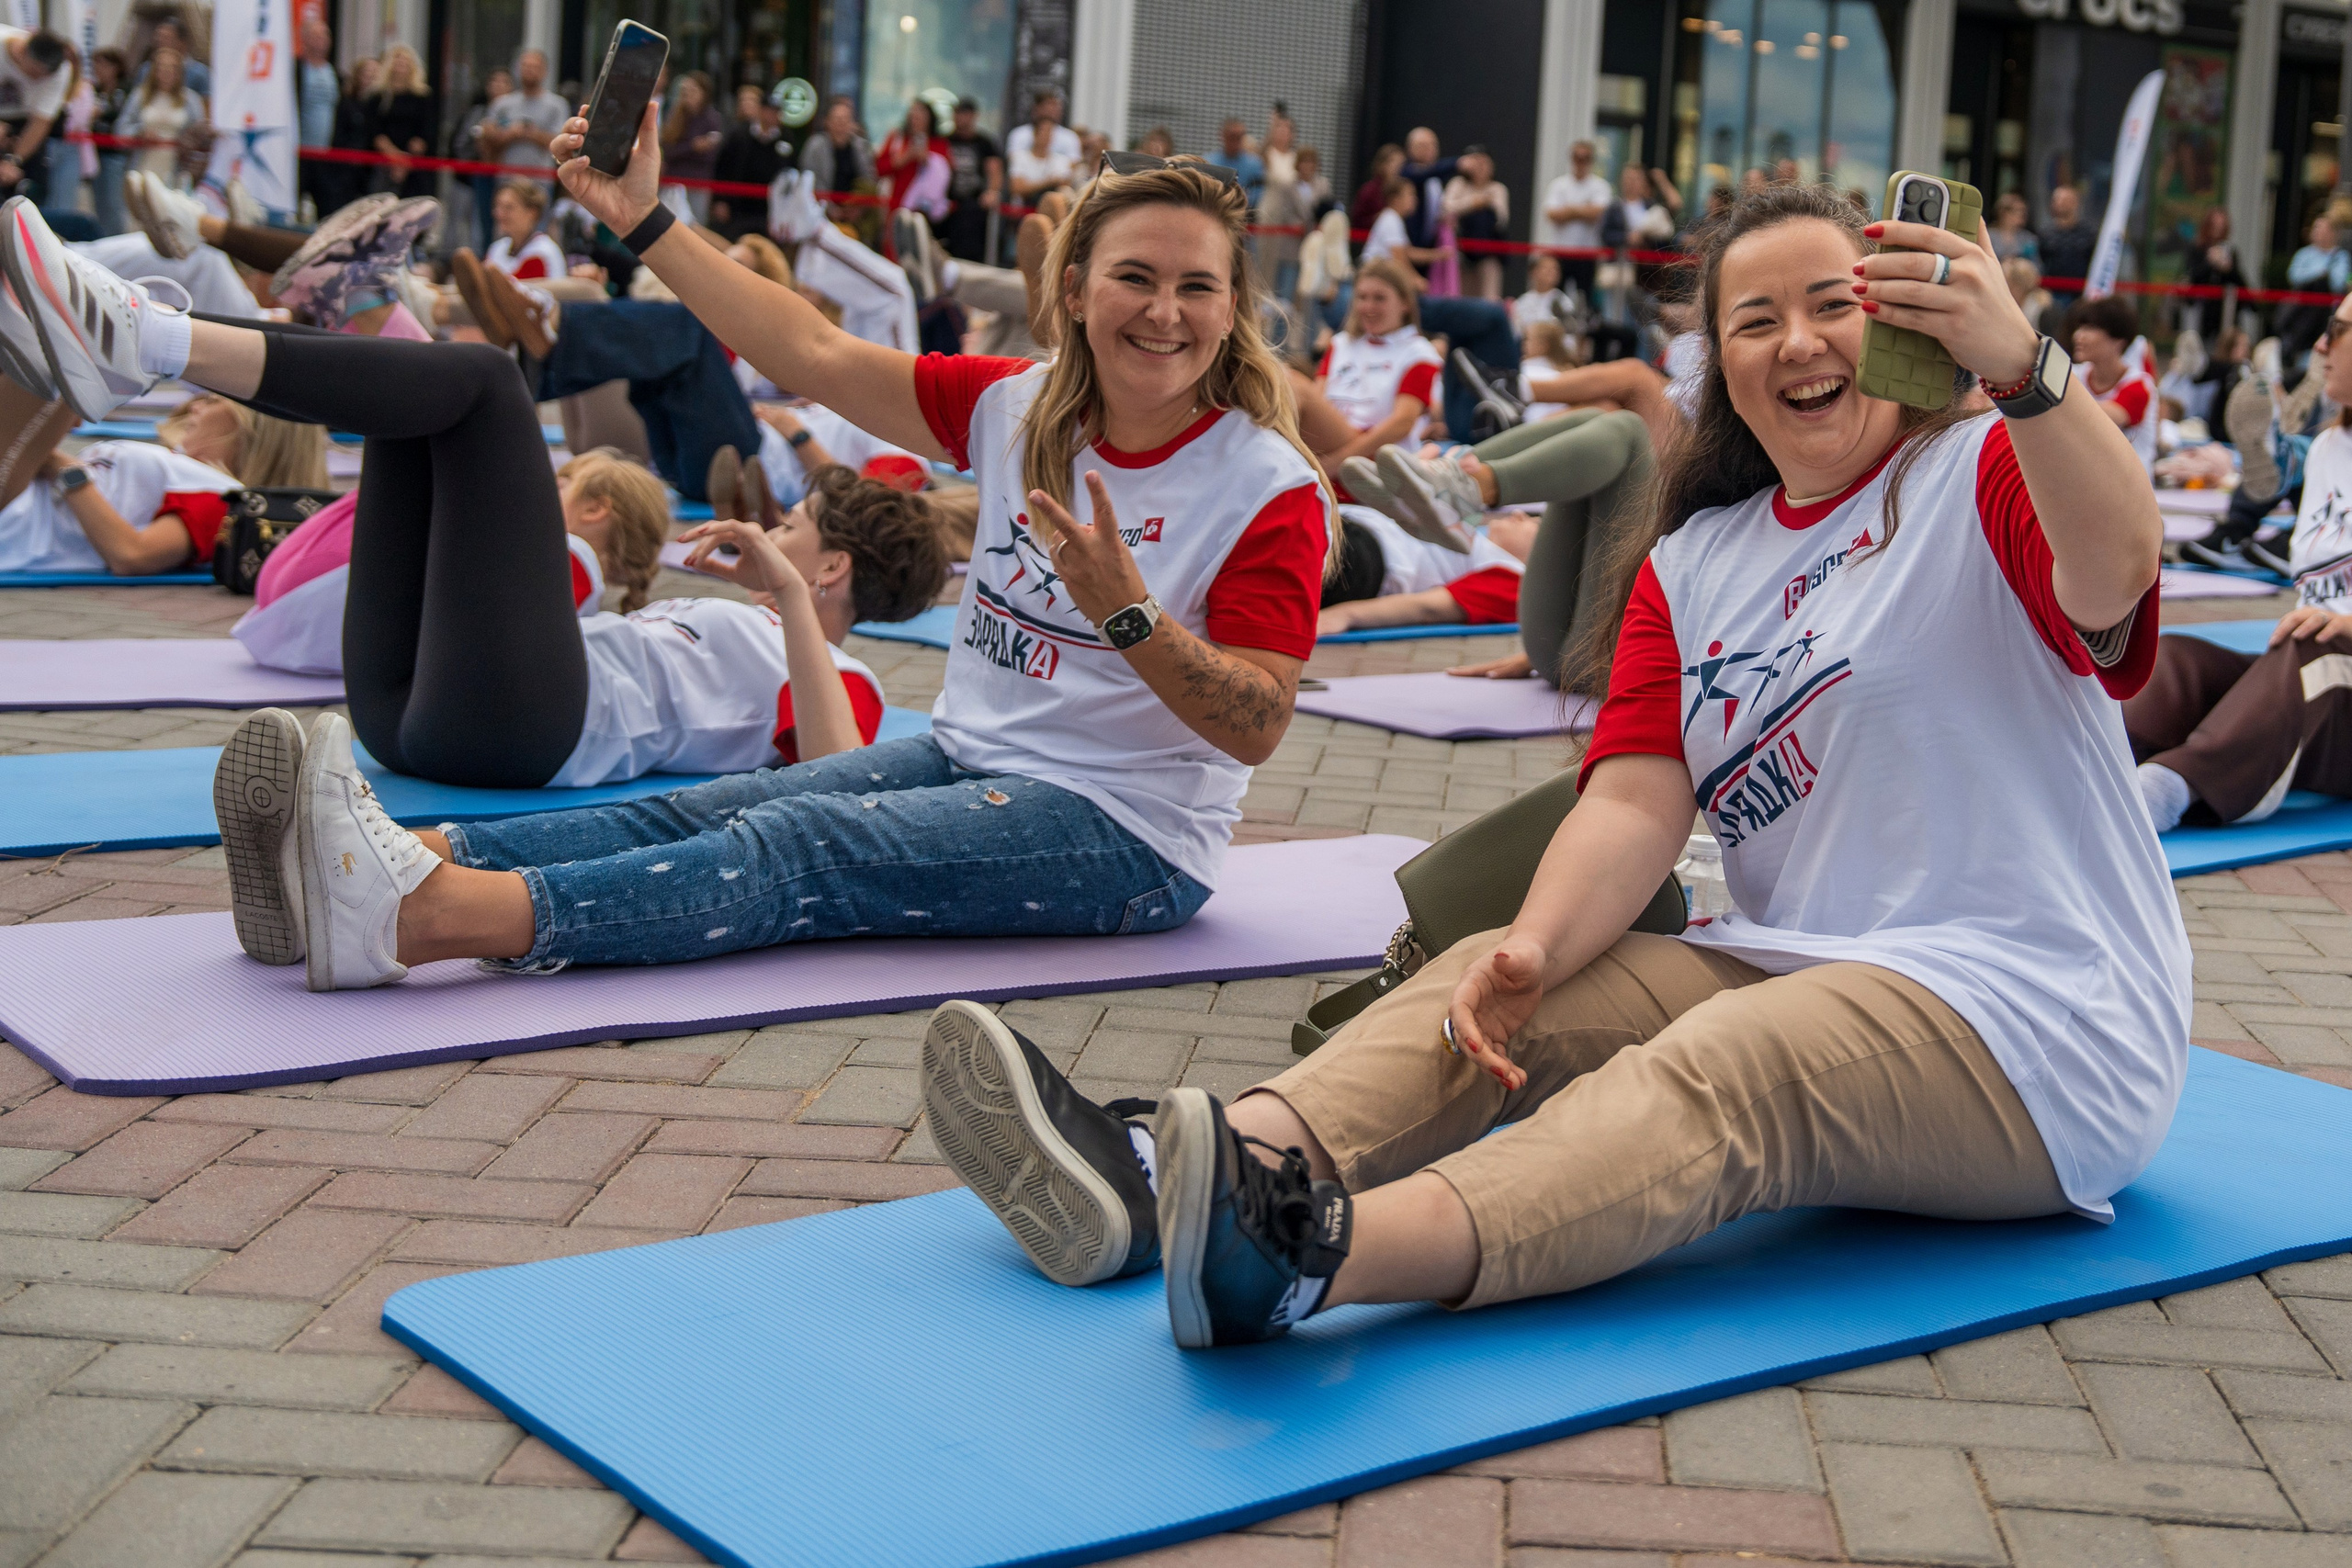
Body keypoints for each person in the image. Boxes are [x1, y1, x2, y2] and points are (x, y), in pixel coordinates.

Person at [917, 177, 2183, 1352]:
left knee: (1720, 1070)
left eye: (1832, 306)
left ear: (1902, 319)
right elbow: (1635, 797)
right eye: (1754, 320)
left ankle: (1301, 1251)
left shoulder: (1985, 468)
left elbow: (2117, 567)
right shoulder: (1696, 564)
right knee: (1490, 974)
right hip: (1812, 958)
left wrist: (2024, 368)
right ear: (1720, 369)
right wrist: (1536, 944)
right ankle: (1167, 1178)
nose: (1795, 341)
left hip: (2037, 1012)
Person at [1, 126, 1337, 977]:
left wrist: (1128, 617)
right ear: (1078, 290)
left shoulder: (1265, 486)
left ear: (1231, 312)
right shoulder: (1012, 404)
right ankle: (386, 862)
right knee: (716, 808)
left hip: (1126, 835)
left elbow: (1260, 726)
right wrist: (645, 220)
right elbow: (804, 348)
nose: (1162, 311)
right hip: (980, 755)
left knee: (800, 862)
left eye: (1196, 286)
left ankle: (415, 919)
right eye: (1136, 277)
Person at [2129, 293, 2352, 832]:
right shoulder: (2328, 449)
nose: (2320, 343)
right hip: (2315, 674)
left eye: (2337, 328)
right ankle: (2096, 764)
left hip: (2330, 669)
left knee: (2310, 645)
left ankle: (2171, 788)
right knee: (2170, 661)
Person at [0, 392, 323, 575]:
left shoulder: (224, 498)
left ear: (252, 428)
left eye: (211, 401)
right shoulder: (186, 471)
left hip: (13, 518)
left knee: (58, 362)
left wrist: (65, 469)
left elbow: (132, 555)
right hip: (16, 495)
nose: (194, 407)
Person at [1315, 256, 1443, 478]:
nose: (1368, 307)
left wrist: (1336, 462)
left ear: (1404, 303)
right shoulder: (1340, 344)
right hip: (1326, 445)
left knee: (1296, 390)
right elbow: (1318, 397)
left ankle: (1325, 286)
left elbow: (1402, 423)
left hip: (1376, 457)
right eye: (1362, 297)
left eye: (1379, 298)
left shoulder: (1419, 353)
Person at [1316, 502, 1530, 635]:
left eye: (1536, 522)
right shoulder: (1481, 540)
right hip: (1351, 526)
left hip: (1364, 560)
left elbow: (1427, 608)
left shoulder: (1517, 580)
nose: (1520, 514)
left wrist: (1346, 615)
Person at [2069, 295, 2156, 475]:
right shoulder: (2072, 375)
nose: (2078, 336)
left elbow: (2095, 419)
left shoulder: (2140, 385)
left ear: (2118, 341)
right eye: (2080, 328)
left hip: (2131, 489)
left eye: (2090, 328)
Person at [710, 84, 786, 240]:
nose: (770, 115)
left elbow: (789, 175)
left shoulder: (786, 139)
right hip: (738, 208)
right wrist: (720, 200)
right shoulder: (739, 135)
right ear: (760, 110)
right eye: (767, 110)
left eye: (775, 111)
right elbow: (722, 167)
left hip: (769, 212)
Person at [1542, 140, 1612, 303]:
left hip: (1587, 253)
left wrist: (1569, 210)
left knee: (1584, 300)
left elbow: (1598, 213)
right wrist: (1584, 209)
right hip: (1560, 251)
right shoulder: (1558, 185)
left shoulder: (1600, 186)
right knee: (1555, 299)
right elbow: (1552, 214)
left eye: (1585, 158)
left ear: (1591, 160)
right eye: (1577, 157)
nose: (1580, 162)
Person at [122, 46, 201, 186]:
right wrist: (139, 133)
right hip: (143, 165)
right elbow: (121, 127)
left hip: (175, 169)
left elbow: (198, 133)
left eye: (172, 68)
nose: (167, 72)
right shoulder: (140, 96)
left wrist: (186, 141)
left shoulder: (191, 100)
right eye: (162, 67)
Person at [482, 49, 566, 178]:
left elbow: (560, 143)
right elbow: (488, 138)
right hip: (506, 178)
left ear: (545, 71)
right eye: (525, 66)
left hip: (541, 179)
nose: (529, 70)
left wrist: (531, 134)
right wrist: (510, 134)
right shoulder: (502, 104)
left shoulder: (557, 105)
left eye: (534, 67)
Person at [2278, 214, 2349, 365]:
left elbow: (2339, 283)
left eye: (2323, 229)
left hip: (2325, 314)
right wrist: (2320, 272)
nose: (2318, 232)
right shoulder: (2304, 254)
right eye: (2316, 228)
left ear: (2333, 233)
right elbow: (2293, 276)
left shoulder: (2340, 256)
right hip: (2302, 312)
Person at [939, 96, 1001, 263]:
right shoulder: (945, 140)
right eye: (958, 113)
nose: (961, 118)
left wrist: (993, 191)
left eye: (965, 114)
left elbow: (994, 169)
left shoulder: (985, 143)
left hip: (973, 205)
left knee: (972, 253)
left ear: (973, 116)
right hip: (947, 205)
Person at [798, 95, 876, 227]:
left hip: (855, 215)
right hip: (820, 214)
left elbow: (869, 180)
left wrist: (857, 208)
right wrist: (830, 209)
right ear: (827, 122)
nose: (841, 125)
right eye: (837, 120)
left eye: (845, 120)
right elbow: (809, 180)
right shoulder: (815, 146)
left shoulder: (861, 147)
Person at [370, 45, 435, 199]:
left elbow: (426, 132)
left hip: (413, 163)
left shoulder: (422, 97)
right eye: (397, 60)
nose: (401, 65)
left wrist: (405, 162)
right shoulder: (378, 97)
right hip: (383, 161)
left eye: (405, 61)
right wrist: (395, 157)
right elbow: (374, 131)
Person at [1442, 147, 1508, 300]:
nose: (1481, 168)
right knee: (1460, 295)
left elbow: (1501, 219)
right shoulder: (1458, 184)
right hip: (1461, 249)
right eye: (1477, 163)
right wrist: (1474, 202)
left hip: (1488, 251)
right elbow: (1446, 208)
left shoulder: (1498, 188)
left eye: (1485, 163)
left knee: (1489, 297)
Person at [659, 71, 724, 224]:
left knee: (696, 226)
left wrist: (688, 148)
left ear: (704, 93)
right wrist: (692, 147)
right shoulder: (675, 116)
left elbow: (712, 154)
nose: (688, 95)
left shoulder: (712, 119)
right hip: (673, 181)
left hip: (698, 182)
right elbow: (667, 150)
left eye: (693, 91)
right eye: (685, 91)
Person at [294, 17, 341, 220]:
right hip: (299, 151)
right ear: (304, 39)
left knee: (329, 209)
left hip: (326, 155)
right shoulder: (296, 70)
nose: (321, 40)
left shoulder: (334, 73)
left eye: (324, 35)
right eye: (315, 35)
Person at [877, 98, 948, 231]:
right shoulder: (897, 140)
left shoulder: (939, 144)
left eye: (920, 117)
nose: (916, 121)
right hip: (896, 203)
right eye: (913, 116)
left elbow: (946, 174)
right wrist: (904, 157)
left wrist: (928, 160)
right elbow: (879, 168)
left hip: (925, 208)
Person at [1005, 89, 1079, 209]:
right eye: (1048, 105)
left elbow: (1068, 177)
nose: (1052, 110)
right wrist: (1048, 182)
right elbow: (1016, 185)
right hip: (1023, 206)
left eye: (1055, 106)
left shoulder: (1069, 140)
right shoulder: (1019, 136)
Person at [480, 177, 565, 279]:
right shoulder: (497, 248)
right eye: (497, 206)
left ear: (532, 212)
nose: (499, 214)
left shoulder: (544, 252)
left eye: (508, 208)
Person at [2183, 208, 2245, 339]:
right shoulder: (2196, 249)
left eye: (2221, 226)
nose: (2217, 230)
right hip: (2200, 309)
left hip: (2224, 311)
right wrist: (2209, 262)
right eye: (2214, 226)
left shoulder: (2230, 251)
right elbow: (2192, 276)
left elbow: (2241, 283)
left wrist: (2228, 268)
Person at [88, 49, 130, 235]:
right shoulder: (94, 90)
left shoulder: (123, 91)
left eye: (103, 65)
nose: (99, 69)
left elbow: (117, 116)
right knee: (99, 202)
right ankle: (103, 238)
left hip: (114, 155)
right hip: (95, 153)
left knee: (113, 203)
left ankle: (115, 238)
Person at [2038, 185, 2095, 319]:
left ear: (2075, 203)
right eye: (2057, 200)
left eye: (2065, 200)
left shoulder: (2087, 234)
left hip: (2079, 293)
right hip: (2051, 293)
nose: (2060, 204)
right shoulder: (2045, 233)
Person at [1205, 117, 1263, 209]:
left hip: (1245, 214)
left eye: (1239, 137)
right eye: (1232, 136)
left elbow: (1259, 192)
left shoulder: (1255, 164)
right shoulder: (1209, 162)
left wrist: (1239, 201)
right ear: (1223, 136)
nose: (1236, 141)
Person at [1350, 143, 1403, 233]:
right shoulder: (1369, 190)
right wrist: (1378, 218)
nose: (1398, 167)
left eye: (1401, 163)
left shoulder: (1402, 190)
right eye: (1394, 162)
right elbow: (1356, 220)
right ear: (1382, 165)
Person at [1986, 192, 2037, 266]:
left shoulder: (2028, 238)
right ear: (2004, 213)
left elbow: (2036, 265)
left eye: (2024, 212)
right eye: (2018, 211)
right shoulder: (1989, 235)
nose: (2022, 216)